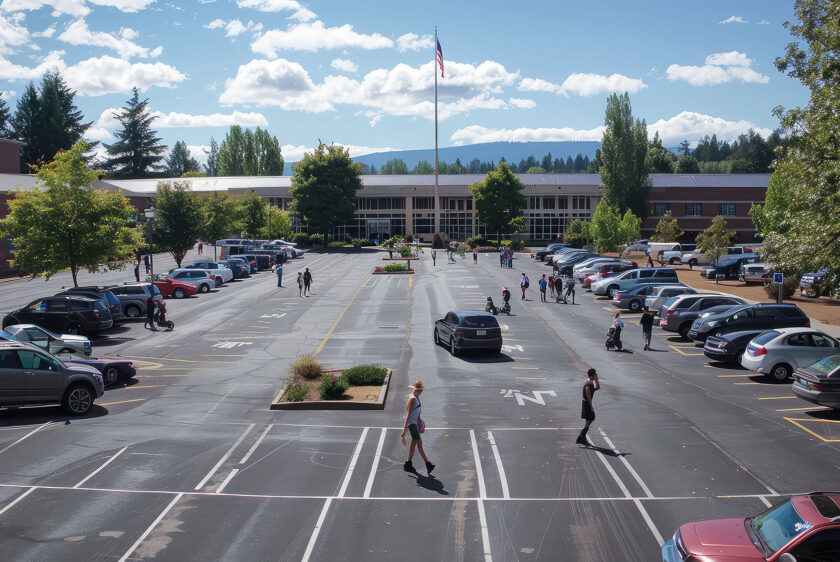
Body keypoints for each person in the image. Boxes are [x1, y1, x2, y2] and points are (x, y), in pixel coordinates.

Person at [401, 380, 434, 475]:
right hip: (412, 425)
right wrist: (404, 430)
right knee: (418, 444)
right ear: (418, 390)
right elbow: (408, 415)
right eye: (420, 391)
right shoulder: (413, 399)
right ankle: (425, 464)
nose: (421, 393)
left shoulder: (416, 397)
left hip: (414, 424)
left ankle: (412, 464)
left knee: (418, 444)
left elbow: (415, 413)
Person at [576, 368, 600, 446]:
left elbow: (597, 387)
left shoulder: (588, 381)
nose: (597, 375)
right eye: (596, 374)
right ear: (592, 376)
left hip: (585, 403)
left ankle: (582, 437)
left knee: (589, 420)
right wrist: (591, 406)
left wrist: (596, 380)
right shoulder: (589, 384)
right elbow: (588, 392)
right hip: (587, 404)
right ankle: (582, 436)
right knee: (591, 418)